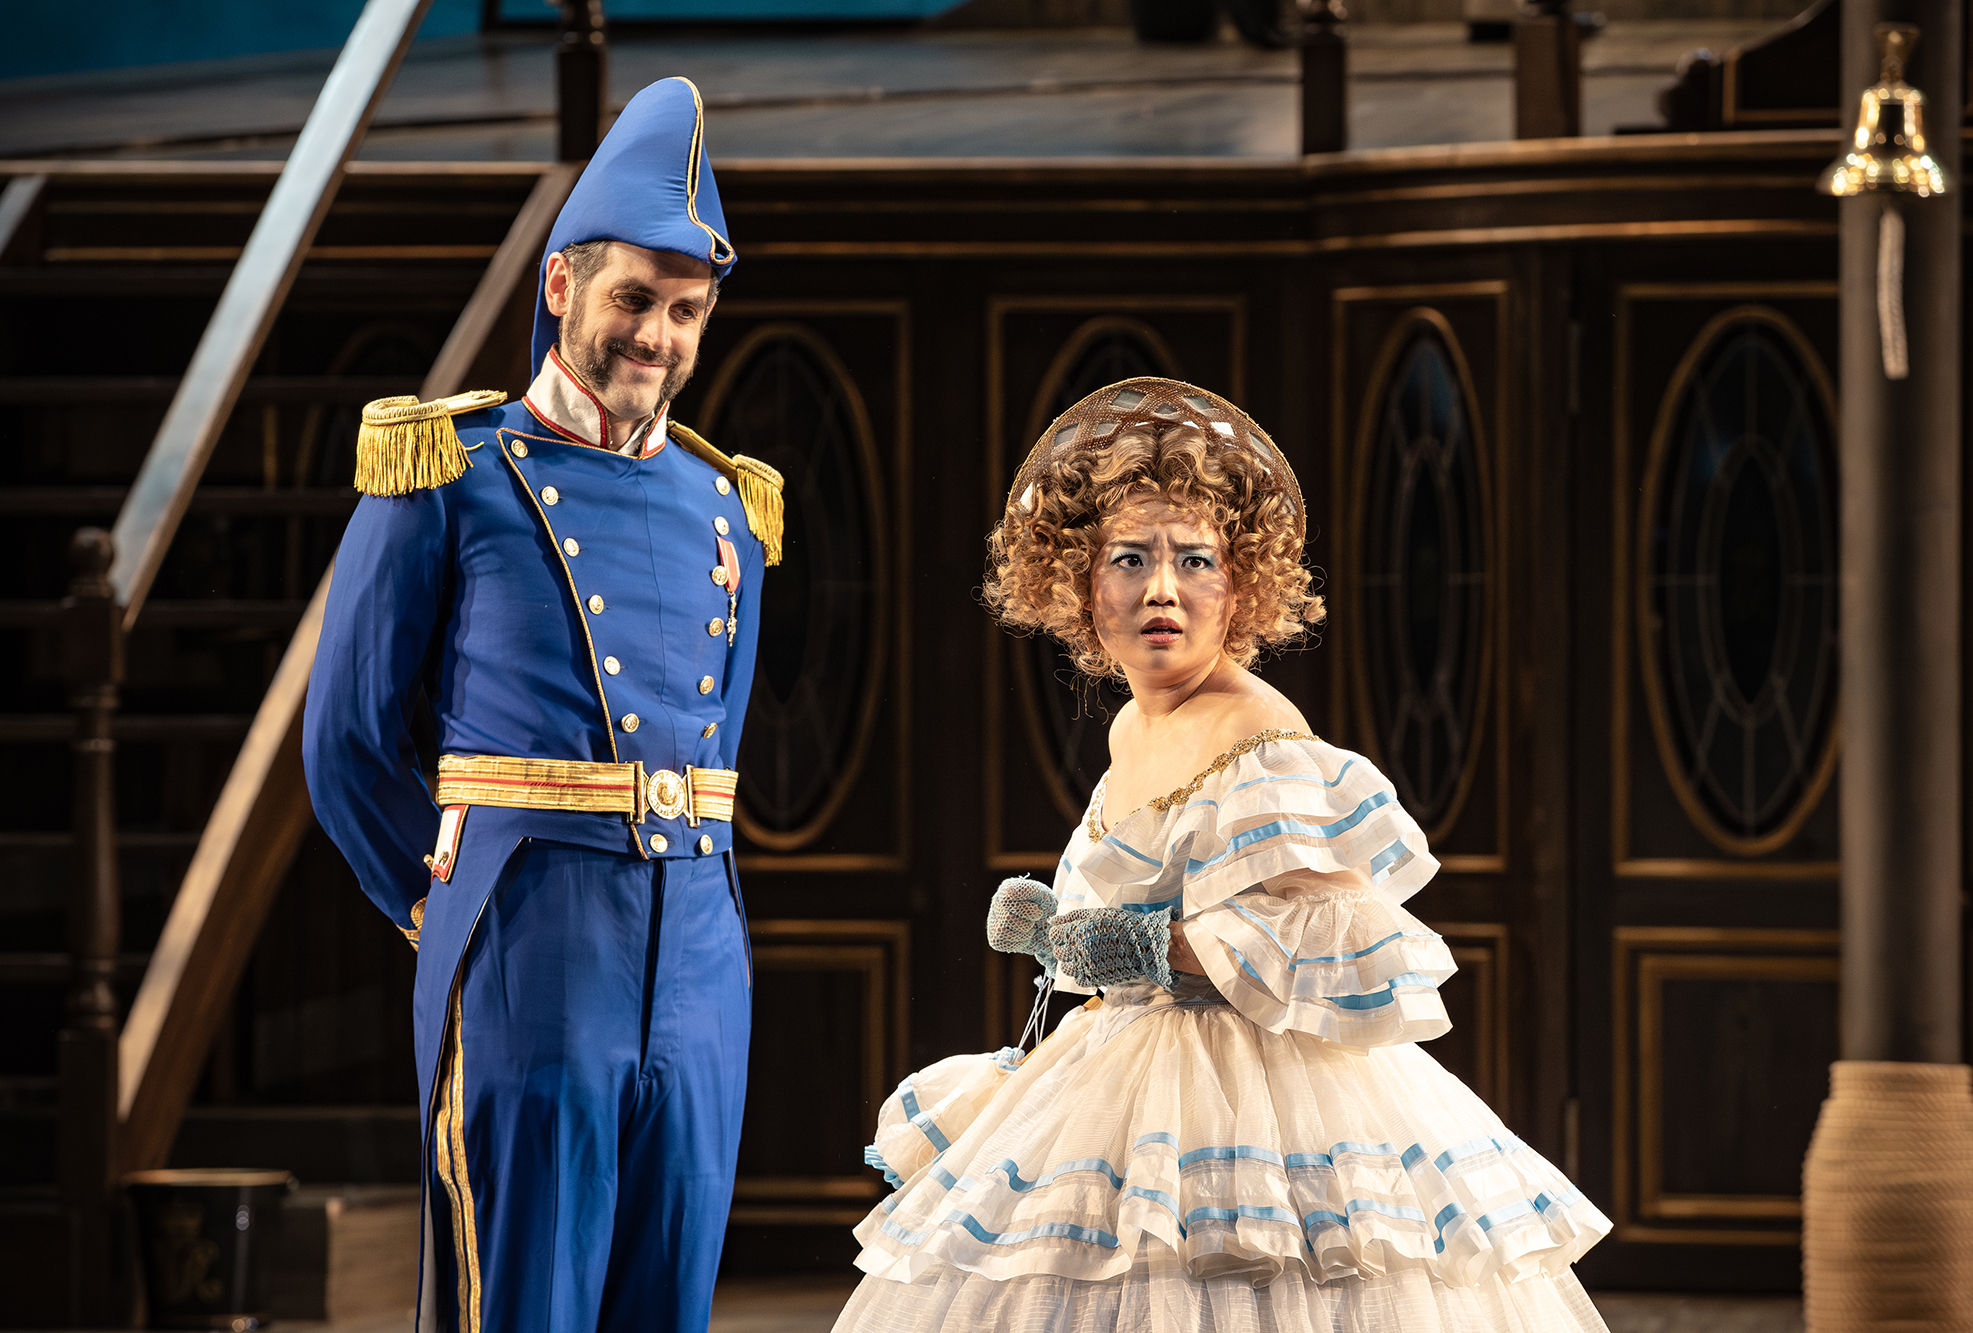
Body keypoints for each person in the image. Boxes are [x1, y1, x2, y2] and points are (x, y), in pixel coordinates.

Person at [835, 379, 1610, 1331]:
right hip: (1120, 1061)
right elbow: (1126, 898)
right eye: (1130, 558)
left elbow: (1311, 932)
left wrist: (1120, 944)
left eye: (1194, 559)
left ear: (1238, 583)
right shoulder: (1130, 724)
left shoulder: (1259, 733)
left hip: (1250, 1090)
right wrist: (1061, 931)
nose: (1162, 588)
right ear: (1081, 585)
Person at [303, 76, 782, 1333]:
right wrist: (448, 906)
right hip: (527, 928)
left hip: (696, 942)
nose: (659, 338)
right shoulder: (446, 473)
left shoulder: (727, 504)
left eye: (686, 312)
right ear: (561, 285)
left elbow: (718, 739)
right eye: (635, 298)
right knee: (518, 1295)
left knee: (666, 1294)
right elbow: (347, 741)